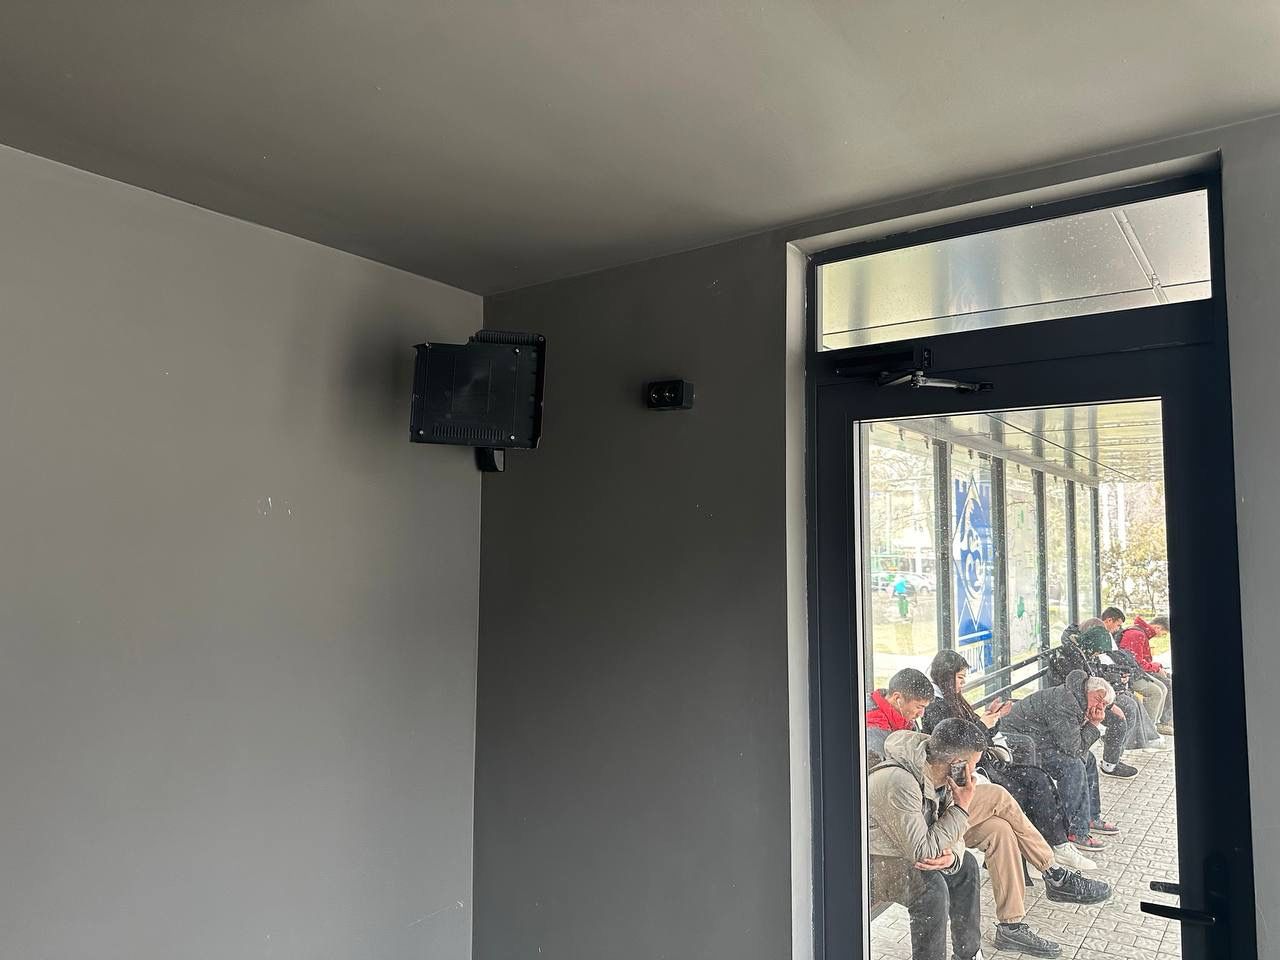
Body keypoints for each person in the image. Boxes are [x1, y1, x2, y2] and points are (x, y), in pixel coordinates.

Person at [869, 720, 1108, 959]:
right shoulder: (901, 782)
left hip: (921, 838)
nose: (974, 771)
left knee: (996, 832)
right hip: (881, 857)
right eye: (974, 764)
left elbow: (951, 825)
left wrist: (953, 854)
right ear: (957, 764)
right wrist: (962, 806)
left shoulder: (944, 774)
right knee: (932, 889)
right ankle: (1053, 873)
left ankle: (993, 938)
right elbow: (925, 850)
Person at [921, 650, 1095, 872]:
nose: (963, 683)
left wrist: (993, 718)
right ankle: (1046, 851)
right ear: (946, 676)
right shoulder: (936, 707)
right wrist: (983, 724)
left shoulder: (954, 700)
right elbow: (959, 746)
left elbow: (977, 737)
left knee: (1037, 777)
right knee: (1023, 790)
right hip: (967, 772)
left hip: (983, 763)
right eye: (960, 677)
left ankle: (1057, 844)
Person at [1001, 671, 1121, 852]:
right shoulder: (1066, 702)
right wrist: (1093, 725)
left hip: (1037, 738)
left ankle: (1090, 817)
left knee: (1088, 759)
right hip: (1021, 743)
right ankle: (1074, 830)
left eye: (1104, 704)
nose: (1099, 706)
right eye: (1098, 699)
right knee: (1073, 765)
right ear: (1088, 690)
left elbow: (1074, 745)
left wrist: (1089, 723)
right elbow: (1074, 749)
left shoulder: (1076, 695)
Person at [1117, 612, 1175, 734]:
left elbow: (1140, 661)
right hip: (1129, 673)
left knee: (1164, 686)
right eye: (1163, 634)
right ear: (1158, 628)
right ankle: (1147, 729)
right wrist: (1156, 668)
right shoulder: (1137, 634)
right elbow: (1137, 662)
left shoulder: (1140, 633)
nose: (1160, 636)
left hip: (1135, 671)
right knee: (1157, 691)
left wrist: (1157, 667)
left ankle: (1154, 724)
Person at [865, 667, 934, 763]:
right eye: (919, 707)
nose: (921, 714)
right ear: (897, 698)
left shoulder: (906, 719)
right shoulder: (872, 726)